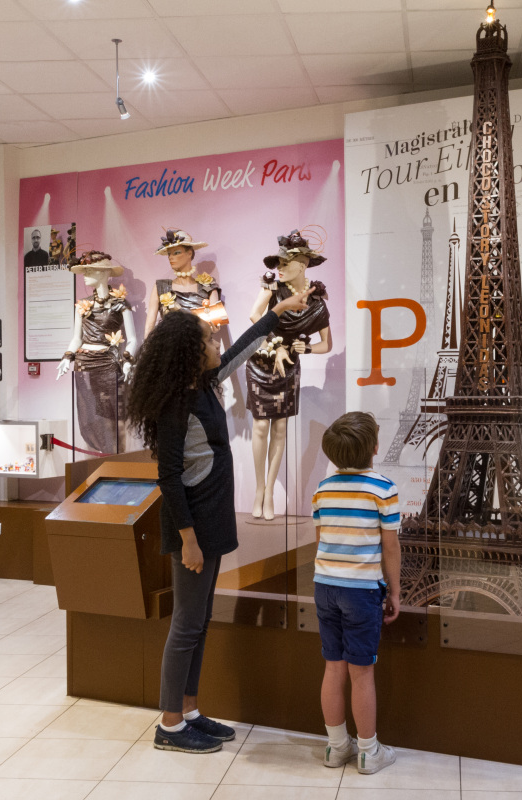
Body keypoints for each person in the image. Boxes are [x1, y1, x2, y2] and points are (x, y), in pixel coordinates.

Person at [127, 285, 314, 754]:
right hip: (191, 525)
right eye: (209, 342)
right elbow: (169, 478)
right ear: (190, 354)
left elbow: (241, 348)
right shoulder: (176, 404)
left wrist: (278, 312)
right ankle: (169, 725)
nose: (217, 346)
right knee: (187, 623)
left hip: (209, 518)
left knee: (201, 619)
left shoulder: (204, 385)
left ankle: (189, 710)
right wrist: (187, 540)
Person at [312, 411, 401, 775]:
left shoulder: (323, 488)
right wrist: (394, 590)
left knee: (333, 668)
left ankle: (336, 748)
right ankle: (368, 751)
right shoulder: (383, 489)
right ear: (375, 448)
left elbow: (321, 540)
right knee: (361, 673)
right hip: (361, 591)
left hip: (325, 586)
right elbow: (390, 547)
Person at [246, 229, 332, 519]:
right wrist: (274, 343)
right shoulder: (271, 287)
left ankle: (270, 491)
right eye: (278, 264)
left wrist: (305, 350)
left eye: (285, 264)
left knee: (280, 429)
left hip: (289, 367)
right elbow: (254, 316)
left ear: (303, 265)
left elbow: (326, 344)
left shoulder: (317, 301)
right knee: (260, 427)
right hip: (261, 362)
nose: (279, 269)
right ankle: (259, 489)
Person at [56, 251, 137, 455]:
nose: (84, 275)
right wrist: (67, 356)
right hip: (83, 364)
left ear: (103, 273)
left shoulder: (121, 304)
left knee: (113, 414)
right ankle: (100, 456)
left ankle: (116, 457)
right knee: (89, 415)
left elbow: (133, 339)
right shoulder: (82, 306)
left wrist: (127, 360)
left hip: (110, 363)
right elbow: (77, 338)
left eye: (89, 270)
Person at [144, 229, 220, 337]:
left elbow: (215, 325)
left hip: (200, 348)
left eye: (176, 252)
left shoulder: (209, 287)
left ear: (189, 253)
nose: (171, 257)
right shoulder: (161, 287)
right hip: (170, 349)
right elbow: (149, 328)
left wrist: (213, 324)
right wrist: (147, 351)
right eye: (169, 254)